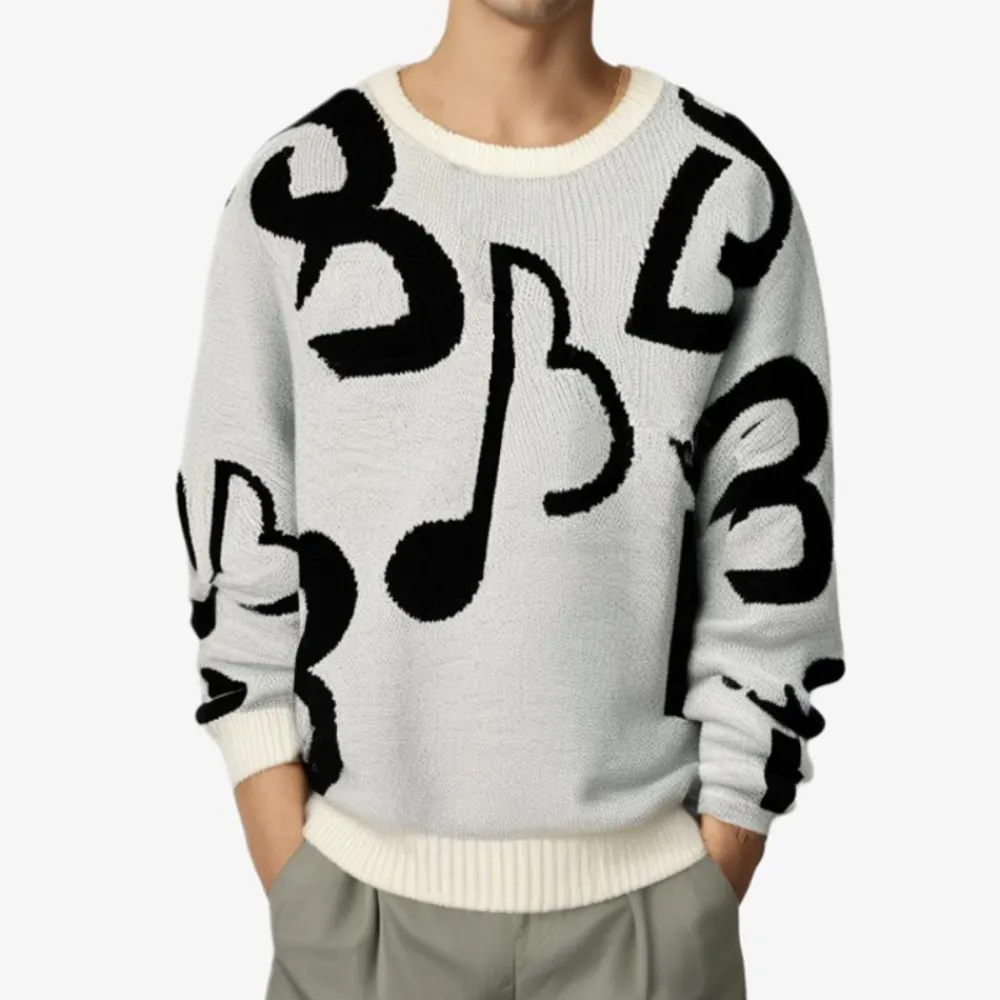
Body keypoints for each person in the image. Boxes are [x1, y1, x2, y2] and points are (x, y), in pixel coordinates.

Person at [174, 0, 845, 996]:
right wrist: (299, 882)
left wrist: (717, 861)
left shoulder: (727, 194)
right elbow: (239, 537)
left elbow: (773, 565)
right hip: (358, 917)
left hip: (648, 923)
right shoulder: (295, 189)